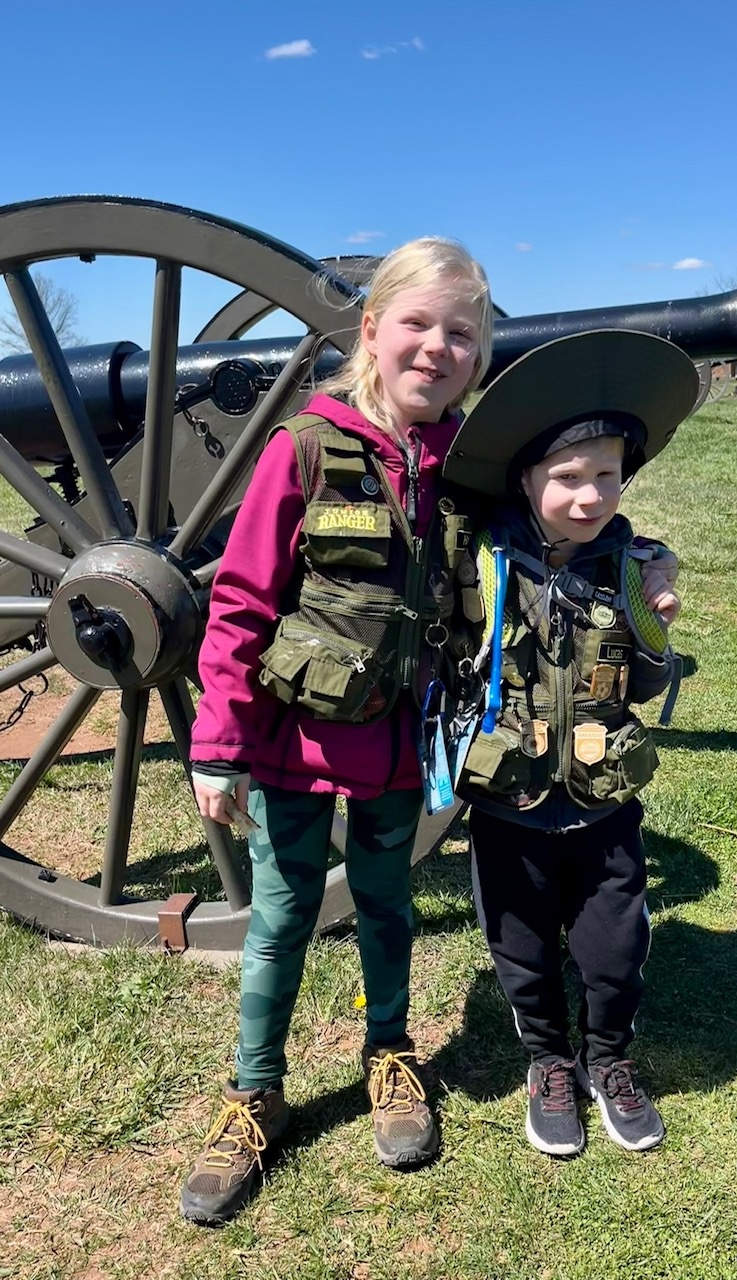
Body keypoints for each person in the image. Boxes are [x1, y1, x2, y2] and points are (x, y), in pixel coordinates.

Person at [179, 237, 494, 1225]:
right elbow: (238, 602)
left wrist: (641, 564)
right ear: (371, 332)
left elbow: (564, 527)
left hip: (401, 748)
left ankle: (390, 1055)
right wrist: (219, 743)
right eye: (417, 323)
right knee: (279, 920)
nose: (437, 348)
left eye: (461, 333)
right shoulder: (304, 450)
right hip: (294, 746)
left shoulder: (471, 466)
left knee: (387, 903)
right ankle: (254, 1091)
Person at [443, 329, 698, 1158]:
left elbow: (648, 686)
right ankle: (549, 1064)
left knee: (614, 946)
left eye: (606, 477)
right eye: (568, 478)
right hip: (509, 801)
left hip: (603, 803)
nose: (589, 497)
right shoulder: (480, 561)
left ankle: (609, 1062)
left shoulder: (629, 564)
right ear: (527, 479)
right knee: (519, 946)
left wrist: (653, 616)